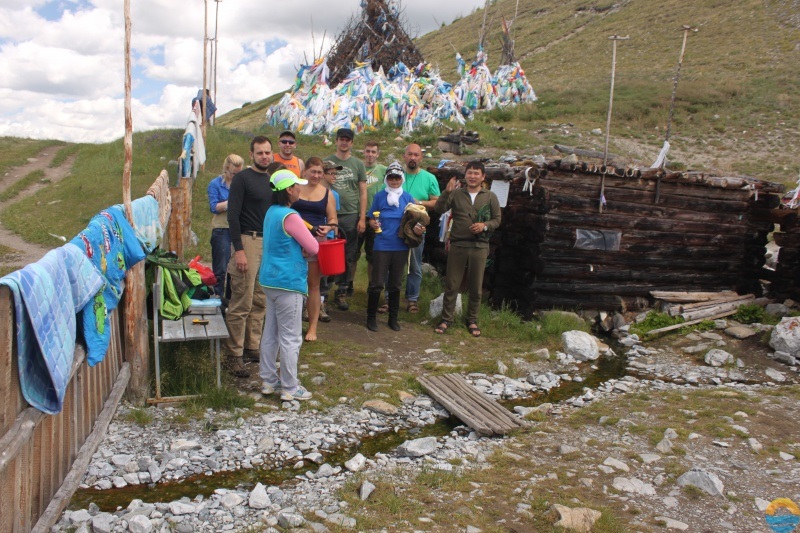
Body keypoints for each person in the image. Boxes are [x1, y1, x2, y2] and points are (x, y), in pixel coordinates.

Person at [258, 169, 319, 401]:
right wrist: (305, 248)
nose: (300, 188)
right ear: (289, 190)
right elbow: (313, 247)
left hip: (269, 280)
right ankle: (290, 388)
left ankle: (268, 380)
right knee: (291, 337)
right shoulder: (291, 216)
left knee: (270, 332)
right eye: (297, 185)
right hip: (288, 282)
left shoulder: (271, 212)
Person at [223, 136, 273, 378]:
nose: (264, 156)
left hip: (268, 242)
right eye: (260, 152)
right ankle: (233, 354)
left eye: (267, 152)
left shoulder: (273, 180)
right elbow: (232, 215)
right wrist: (239, 249)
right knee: (242, 299)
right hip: (247, 240)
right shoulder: (242, 179)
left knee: (260, 299)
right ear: (251, 154)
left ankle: (252, 346)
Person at [433, 161, 502, 338]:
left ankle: (472, 320)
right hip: (458, 245)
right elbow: (439, 209)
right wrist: (446, 192)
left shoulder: (490, 196)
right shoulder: (456, 194)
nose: (472, 176)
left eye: (476, 173)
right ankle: (446, 319)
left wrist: (484, 226)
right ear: (465, 175)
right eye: (469, 173)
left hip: (479, 247)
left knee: (476, 286)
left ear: (483, 177)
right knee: (452, 284)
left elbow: (497, 220)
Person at [366, 162, 421, 332]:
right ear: (386, 178)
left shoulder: (408, 197)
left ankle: (393, 318)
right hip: (382, 244)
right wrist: (373, 224)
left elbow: (417, 218)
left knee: (396, 284)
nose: (394, 181)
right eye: (391, 177)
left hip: (400, 245)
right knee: (377, 283)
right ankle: (371, 317)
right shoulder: (379, 196)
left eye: (397, 177)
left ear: (402, 179)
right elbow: (370, 218)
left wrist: (419, 228)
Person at [292, 157, 337, 341]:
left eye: (320, 172)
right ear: (304, 172)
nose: (316, 176)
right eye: (313, 172)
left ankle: (312, 327)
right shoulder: (295, 188)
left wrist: (329, 227)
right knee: (293, 284)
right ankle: (292, 325)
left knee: (314, 285)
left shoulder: (327, 193)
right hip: (294, 239)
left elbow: (333, 219)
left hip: (317, 240)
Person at [325, 128, 367, 311]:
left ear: (352, 143)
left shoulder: (358, 164)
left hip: (350, 214)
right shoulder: (327, 161)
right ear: (336, 141)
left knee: (348, 254)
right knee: (326, 251)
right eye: (341, 139)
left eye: (347, 140)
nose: (344, 142)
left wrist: (362, 218)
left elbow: (363, 192)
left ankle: (341, 292)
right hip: (329, 212)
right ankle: (323, 292)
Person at [402, 143, 440, 313]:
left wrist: (419, 202)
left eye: (416, 155)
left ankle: (412, 300)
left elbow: (436, 201)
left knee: (415, 264)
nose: (413, 158)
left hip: (417, 226)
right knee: (393, 264)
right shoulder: (396, 176)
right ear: (404, 156)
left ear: (421, 158)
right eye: (410, 154)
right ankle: (389, 298)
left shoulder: (429, 178)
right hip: (396, 225)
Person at [207, 154, 244, 300]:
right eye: (233, 174)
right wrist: (232, 202)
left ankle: (230, 300)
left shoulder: (242, 184)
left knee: (234, 269)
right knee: (221, 267)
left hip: (239, 228)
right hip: (221, 228)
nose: (236, 176)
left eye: (238, 174)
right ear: (226, 169)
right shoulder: (215, 184)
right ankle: (217, 297)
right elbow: (214, 207)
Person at [361, 141, 387, 309]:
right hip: (359, 215)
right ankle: (346, 285)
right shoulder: (358, 167)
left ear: (378, 154)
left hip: (376, 217)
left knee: (372, 254)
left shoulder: (383, 170)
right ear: (364, 152)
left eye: (373, 152)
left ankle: (372, 287)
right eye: (368, 151)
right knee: (352, 254)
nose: (370, 154)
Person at [318, 161, 342, 323]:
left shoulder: (335, 195)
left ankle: (321, 304)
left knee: (325, 274)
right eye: (331, 173)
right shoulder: (313, 191)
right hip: (314, 235)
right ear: (323, 174)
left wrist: (335, 234)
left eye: (336, 173)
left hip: (329, 237)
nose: (334, 176)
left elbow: (335, 216)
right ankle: (308, 305)